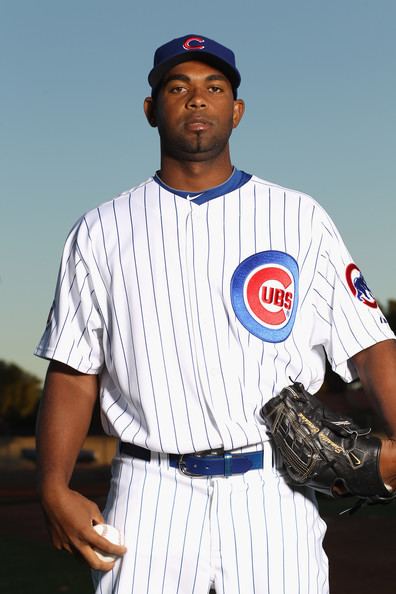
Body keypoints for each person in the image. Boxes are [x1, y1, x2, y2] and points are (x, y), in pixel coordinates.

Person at [35, 33, 396, 594]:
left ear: (237, 110)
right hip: (148, 493)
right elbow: (73, 369)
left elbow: (371, 345)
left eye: (214, 87)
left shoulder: (298, 217)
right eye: (178, 87)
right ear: (152, 109)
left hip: (272, 488)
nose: (197, 99)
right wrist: (53, 485)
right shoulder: (100, 231)